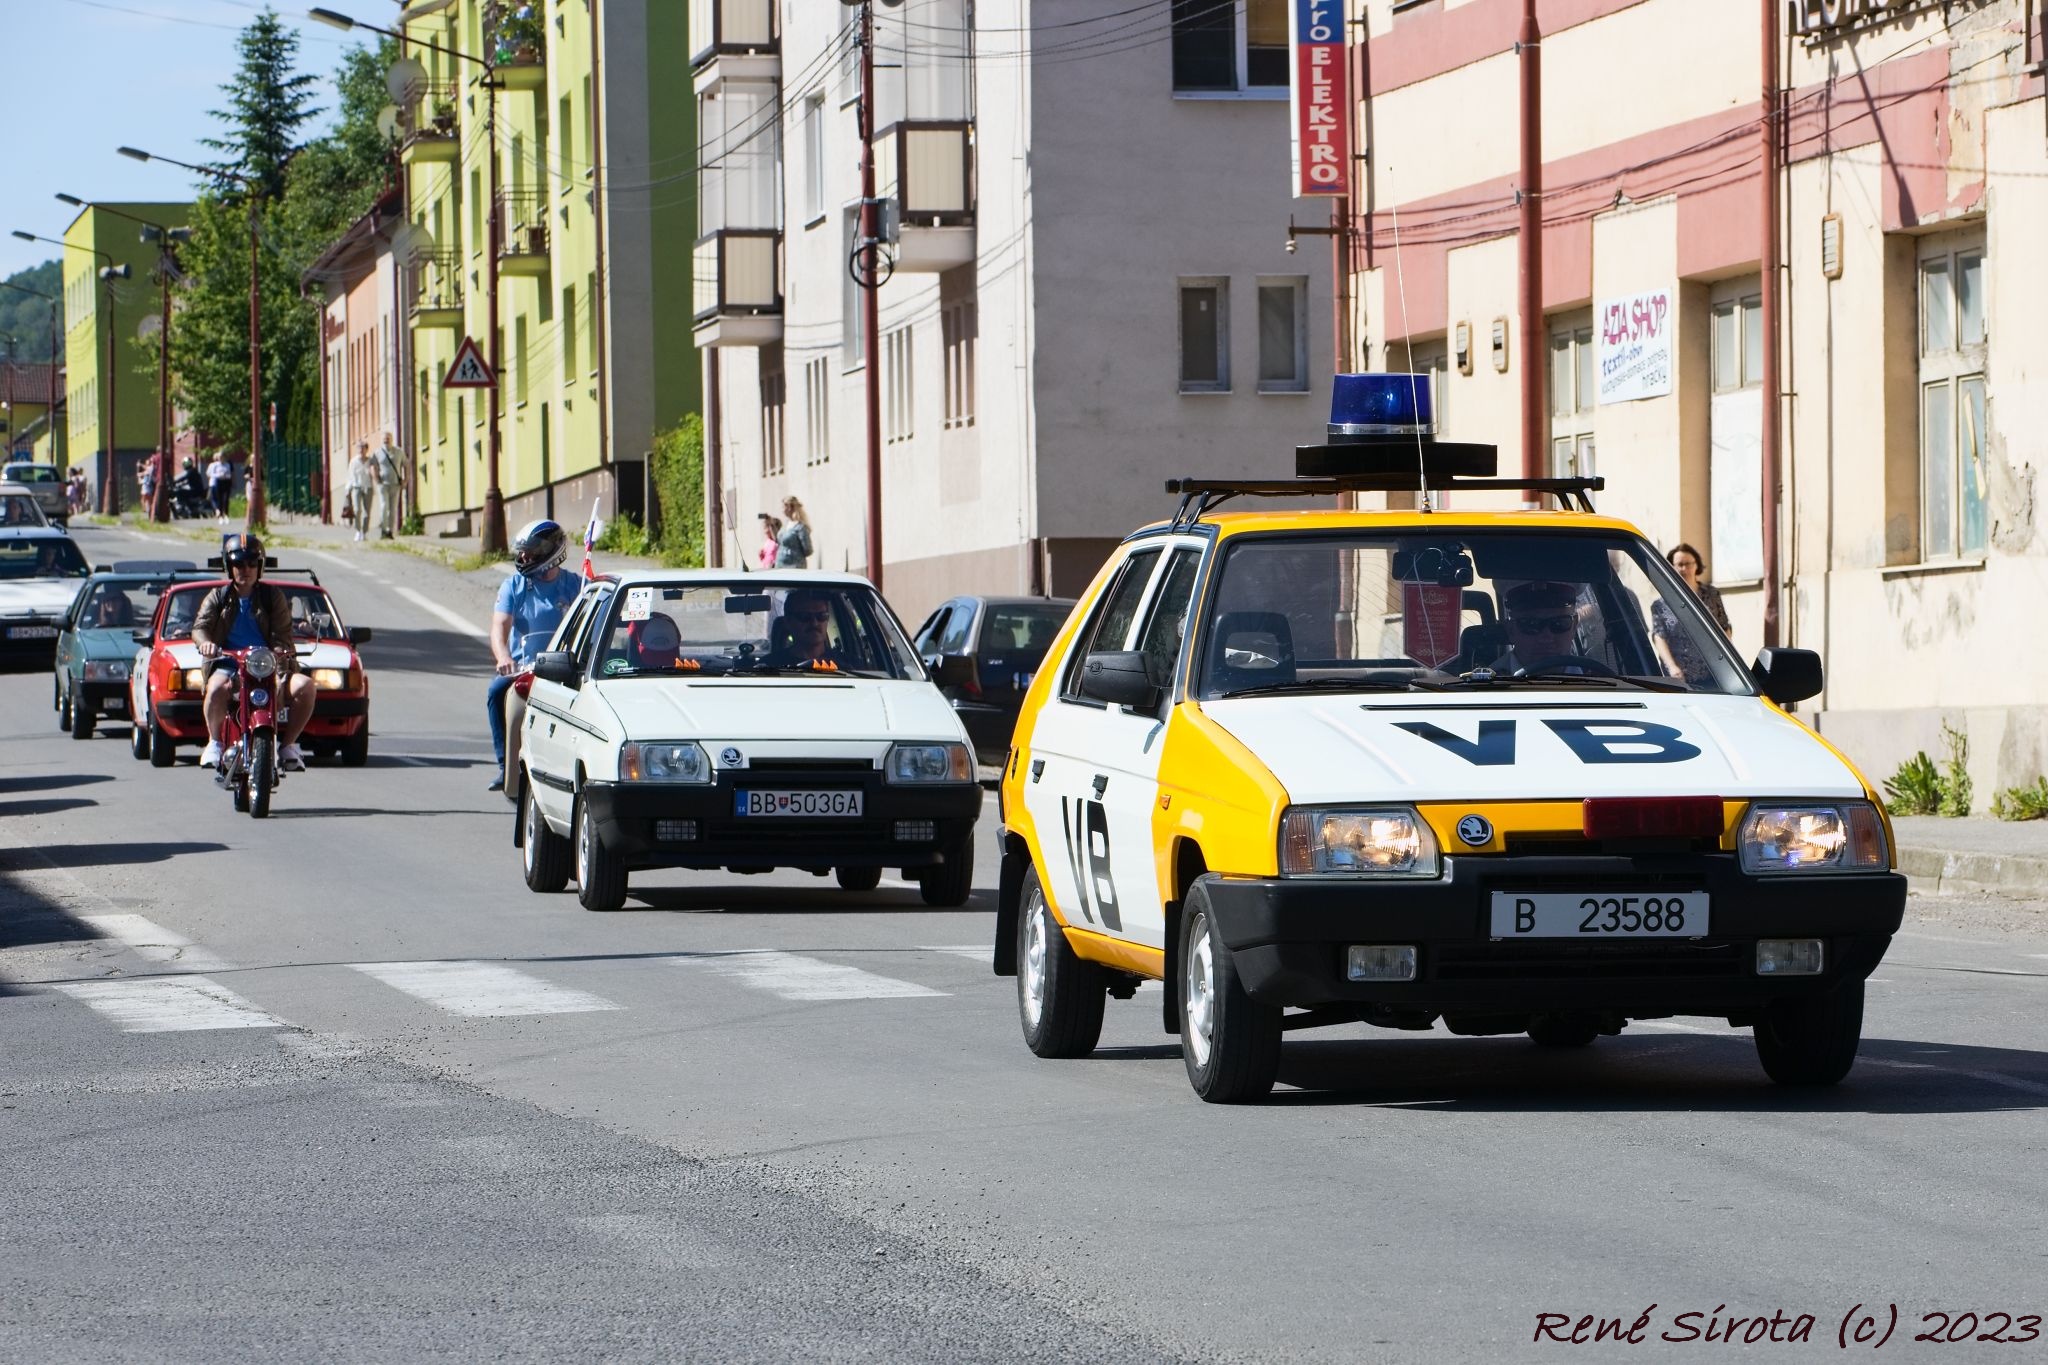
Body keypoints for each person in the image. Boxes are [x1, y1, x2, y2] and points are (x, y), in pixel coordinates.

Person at [193, 533, 316, 772]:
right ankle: (214, 742)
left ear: (260, 567)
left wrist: (279, 654)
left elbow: (282, 633)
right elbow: (200, 627)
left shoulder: (273, 597)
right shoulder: (218, 596)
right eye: (239, 564)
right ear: (229, 567)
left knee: (306, 686)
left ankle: (288, 746)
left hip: (268, 664)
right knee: (216, 688)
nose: (245, 569)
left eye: (251, 563)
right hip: (229, 664)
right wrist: (206, 643)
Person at [488, 518, 583, 794]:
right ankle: (506, 766)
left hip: (563, 668)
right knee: (495, 693)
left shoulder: (576, 587)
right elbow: (499, 626)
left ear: (551, 552)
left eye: (531, 552)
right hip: (523, 668)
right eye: (522, 553)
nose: (524, 558)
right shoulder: (513, 586)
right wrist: (504, 657)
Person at [1653, 542, 1733, 680]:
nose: (1684, 569)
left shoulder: (1712, 595)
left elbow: (1724, 628)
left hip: (1712, 673)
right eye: (1679, 564)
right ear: (1671, 567)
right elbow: (1659, 637)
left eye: (1688, 564)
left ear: (1696, 565)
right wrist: (1672, 667)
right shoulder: (1661, 604)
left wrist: (1725, 661)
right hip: (1679, 677)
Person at [1491, 581, 1587, 674]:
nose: (1546, 638)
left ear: (1574, 626)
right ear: (1511, 630)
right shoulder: (1488, 681)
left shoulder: (1594, 676)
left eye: (1559, 623)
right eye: (1531, 624)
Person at [764, 587, 841, 667]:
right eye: (805, 616)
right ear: (788, 622)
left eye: (821, 616)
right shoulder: (768, 667)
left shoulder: (846, 665)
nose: (814, 623)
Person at [373, 432, 402, 539]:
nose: (386, 440)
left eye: (388, 438)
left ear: (391, 439)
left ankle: (390, 531)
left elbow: (406, 464)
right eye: (384, 439)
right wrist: (376, 478)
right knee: (384, 506)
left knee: (393, 508)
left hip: (395, 484)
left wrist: (405, 480)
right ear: (382, 440)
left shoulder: (398, 451)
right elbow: (373, 466)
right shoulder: (377, 452)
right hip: (383, 484)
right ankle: (384, 530)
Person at [346, 442, 374, 540]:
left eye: (363, 448)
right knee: (357, 510)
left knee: (367, 512)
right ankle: (358, 531)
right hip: (356, 487)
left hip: (368, 487)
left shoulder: (370, 461)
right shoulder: (353, 461)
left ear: (366, 450)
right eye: (359, 448)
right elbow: (350, 475)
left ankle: (364, 532)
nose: (361, 450)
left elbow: (374, 472)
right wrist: (348, 489)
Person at [776, 497, 812, 568]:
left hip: (794, 566)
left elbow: (808, 550)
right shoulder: (785, 525)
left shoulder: (800, 527)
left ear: (789, 507)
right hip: (780, 566)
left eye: (783, 507)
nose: (782, 510)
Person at [206, 452, 234, 523]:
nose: (221, 459)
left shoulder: (227, 464)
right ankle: (220, 515)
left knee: (226, 499)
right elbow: (211, 474)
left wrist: (226, 476)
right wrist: (219, 475)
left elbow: (229, 473)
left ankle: (226, 514)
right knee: (220, 499)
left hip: (226, 481)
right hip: (218, 482)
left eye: (222, 457)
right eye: (220, 457)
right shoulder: (215, 465)